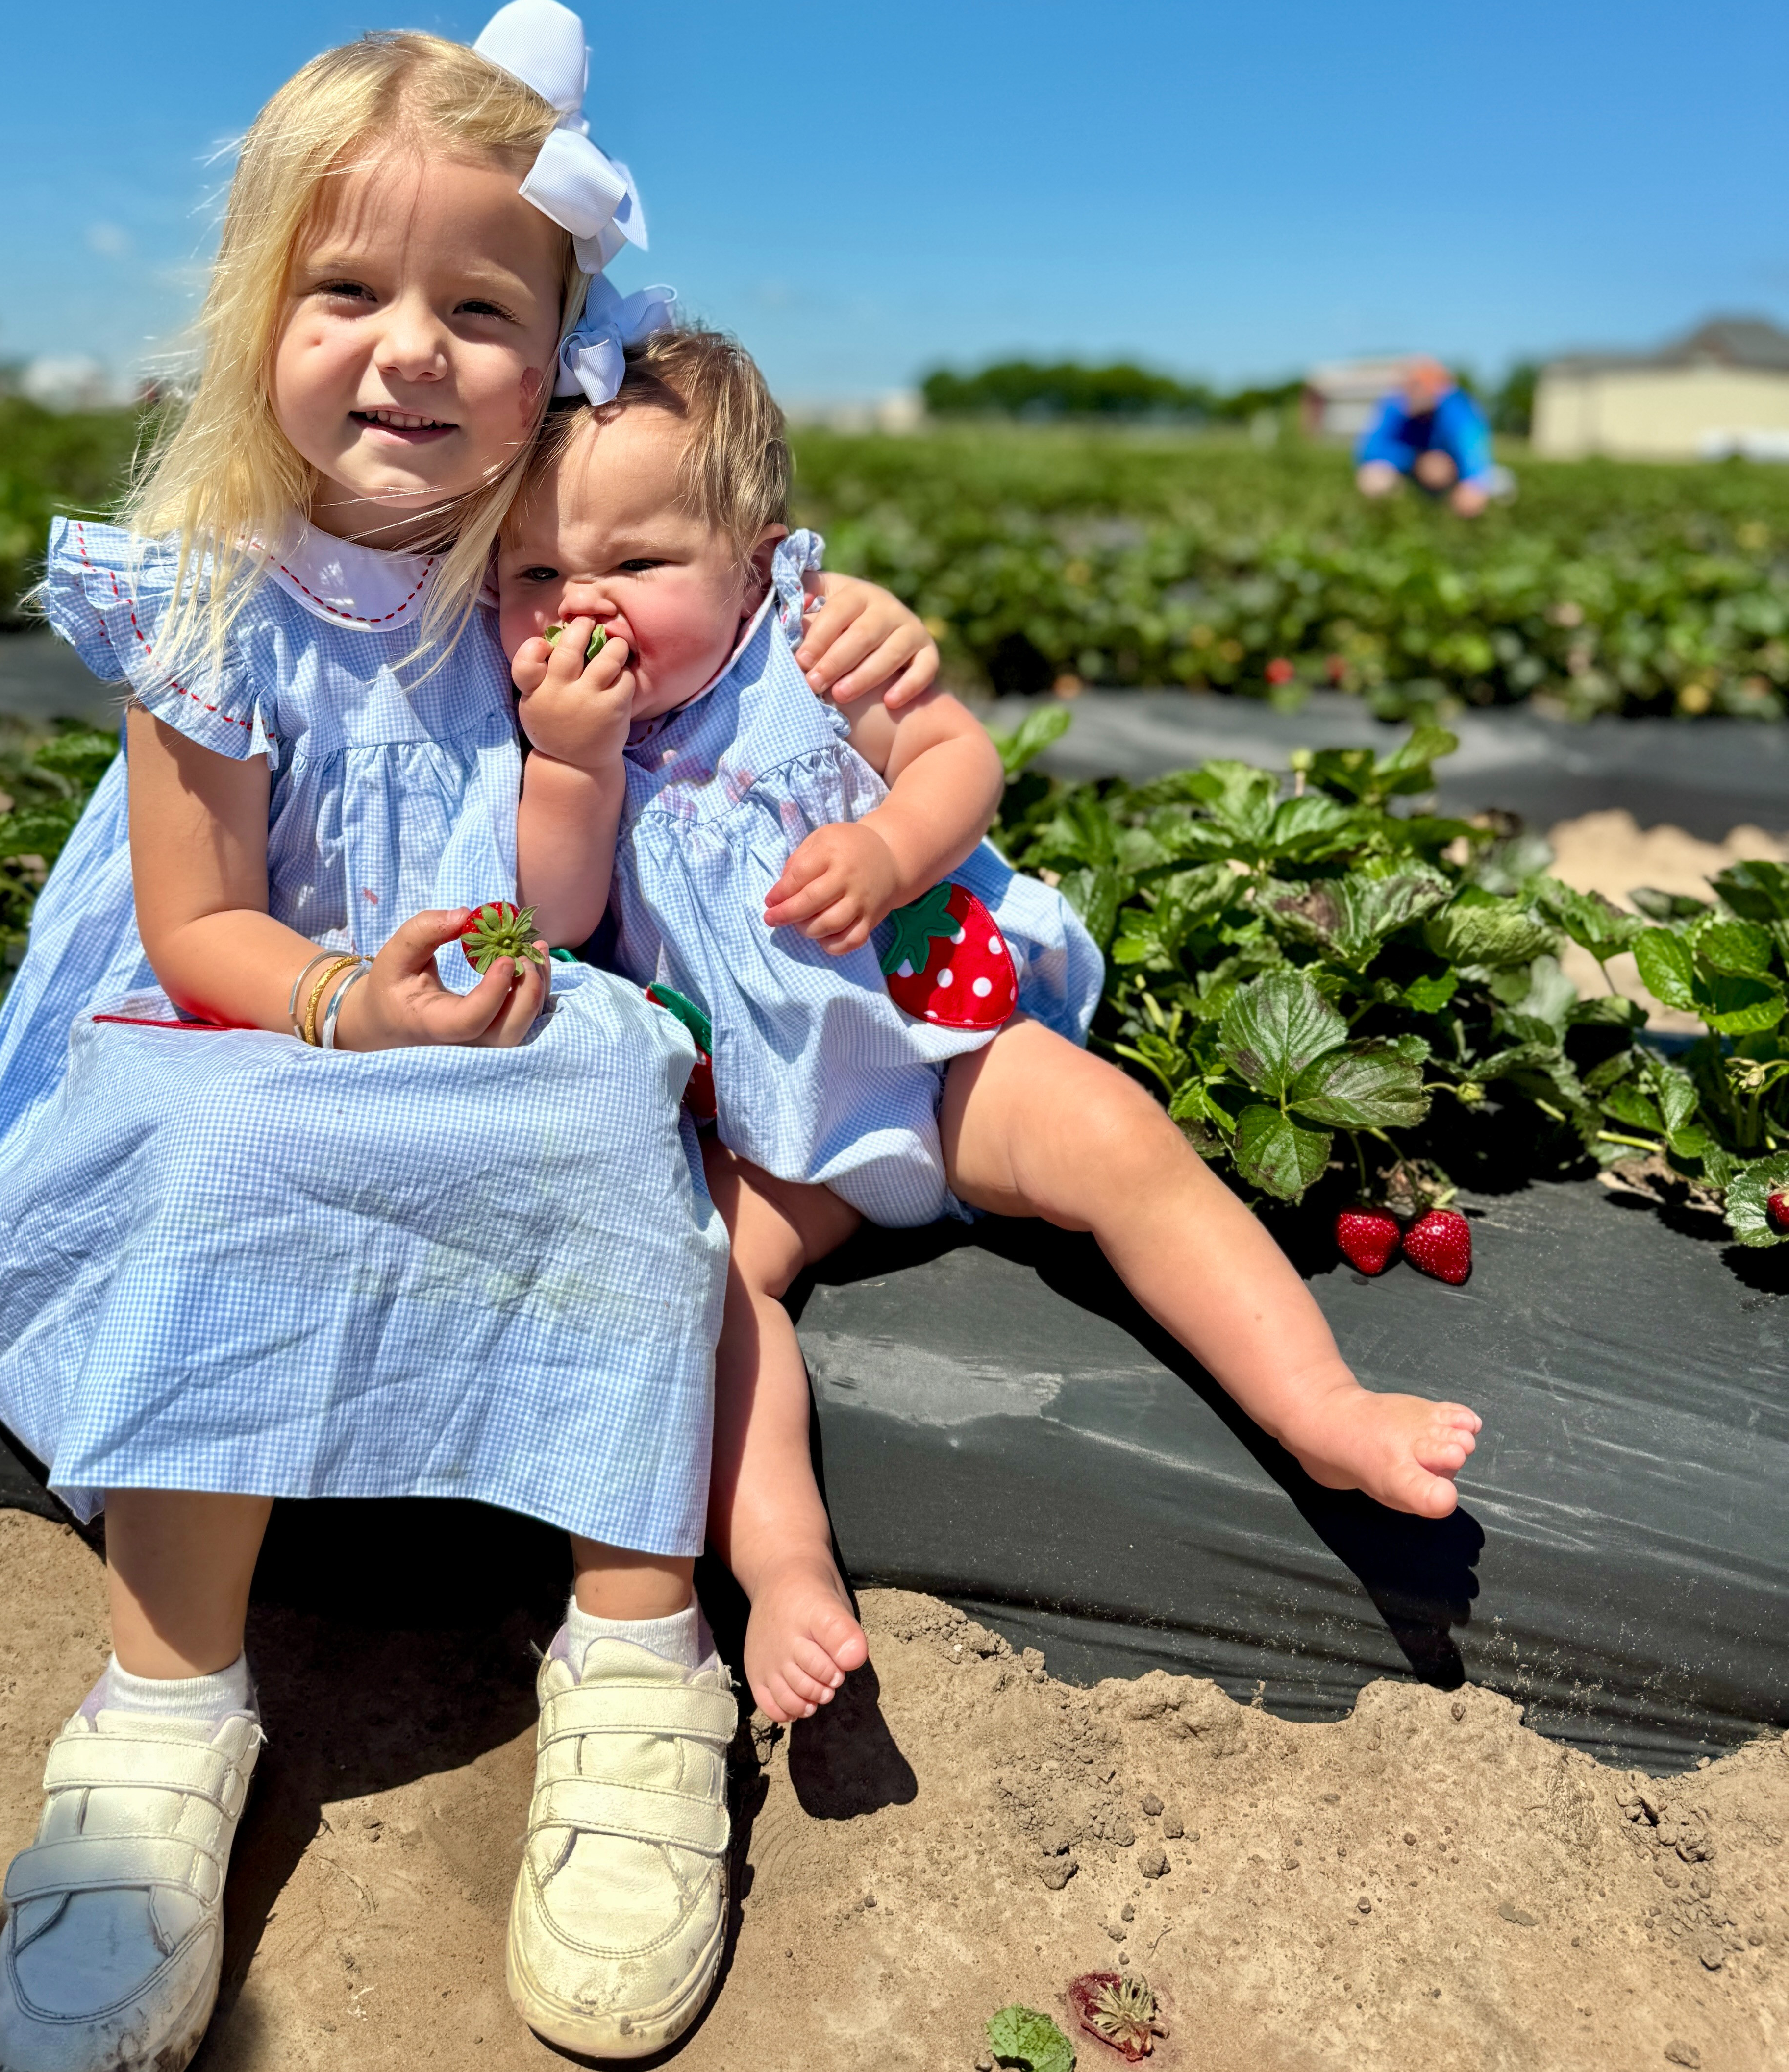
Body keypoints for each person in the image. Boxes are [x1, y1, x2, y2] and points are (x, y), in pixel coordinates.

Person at [0, 1, 935, 2072]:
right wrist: (345, 1005)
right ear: (253, 309)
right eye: (346, 289)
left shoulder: (539, 551)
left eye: (480, 305)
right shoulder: (210, 594)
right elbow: (196, 927)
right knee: (206, 1161)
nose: (407, 351)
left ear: (559, 345)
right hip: (248, 1007)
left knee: (612, 1121)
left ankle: (639, 1651)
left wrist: (864, 636)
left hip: (511, 1003)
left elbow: (723, 584)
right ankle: (166, 1705)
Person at [498, 328, 1485, 1726]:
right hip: (778, 1126)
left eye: (637, 566)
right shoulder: (550, 734)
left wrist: (893, 850)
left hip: (938, 1053)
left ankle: (1318, 1407)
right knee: (703, 1289)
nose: (578, 606)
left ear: (755, 557)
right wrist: (570, 765)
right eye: (533, 575)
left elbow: (958, 758)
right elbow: (555, 909)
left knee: (1115, 1140)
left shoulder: (815, 641)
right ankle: (784, 1568)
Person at [1355, 357, 1496, 516]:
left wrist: (1473, 483)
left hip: (1447, 471)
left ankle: (1442, 508)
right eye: (1411, 387)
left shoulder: (1456, 408)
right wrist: (1416, 460)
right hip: (1406, 468)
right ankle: (1397, 514)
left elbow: (1473, 451)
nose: (1414, 392)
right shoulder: (1394, 406)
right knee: (1373, 479)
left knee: (1453, 481)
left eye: (1421, 386)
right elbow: (1369, 451)